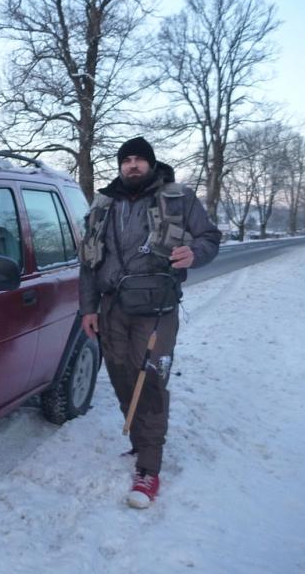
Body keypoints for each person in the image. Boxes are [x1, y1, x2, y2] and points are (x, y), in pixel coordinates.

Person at [78, 137, 221, 508]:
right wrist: (88, 308)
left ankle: (149, 467)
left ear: (151, 164)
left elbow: (209, 237)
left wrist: (195, 253)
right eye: (126, 160)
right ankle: (141, 442)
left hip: (156, 308)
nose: (133, 165)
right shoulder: (104, 203)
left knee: (151, 379)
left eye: (139, 159)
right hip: (111, 307)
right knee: (121, 376)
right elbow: (88, 261)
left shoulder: (178, 197)